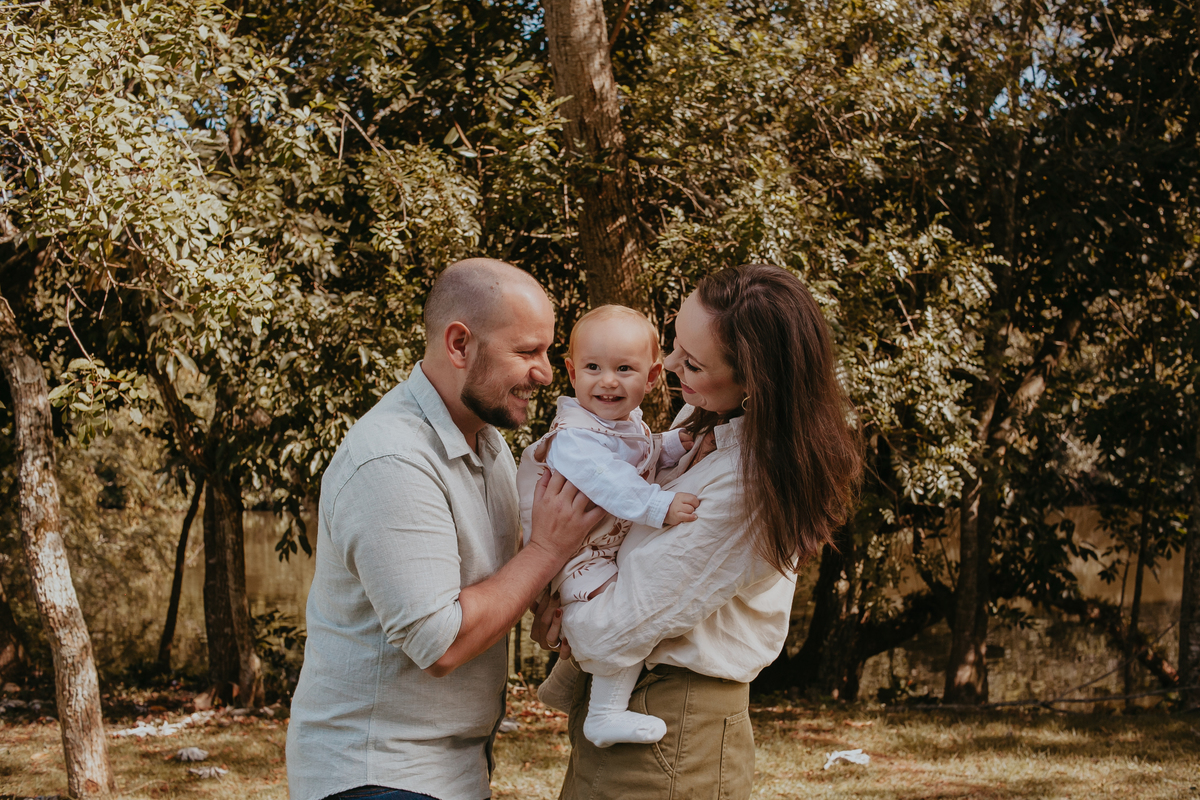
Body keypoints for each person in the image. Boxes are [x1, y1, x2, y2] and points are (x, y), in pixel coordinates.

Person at [531, 264, 863, 800]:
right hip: (631, 711)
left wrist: (566, 612)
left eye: (695, 362)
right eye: (676, 342)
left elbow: (611, 631)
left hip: (672, 729)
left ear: (757, 381)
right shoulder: (708, 416)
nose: (668, 365)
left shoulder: (750, 484)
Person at [286, 258, 606, 800]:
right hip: (376, 775)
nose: (547, 373)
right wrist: (550, 549)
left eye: (546, 351)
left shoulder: (489, 446)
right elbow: (440, 642)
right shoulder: (391, 458)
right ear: (459, 344)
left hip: (452, 771)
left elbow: (498, 576)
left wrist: (550, 602)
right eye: (527, 351)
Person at [514, 305, 700, 748]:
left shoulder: (624, 426)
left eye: (624, 368)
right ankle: (604, 713)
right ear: (572, 371)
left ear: (652, 376)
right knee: (613, 614)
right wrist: (659, 506)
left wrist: (674, 444)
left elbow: (642, 454)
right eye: (593, 367)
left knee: (606, 613)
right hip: (574, 554)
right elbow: (608, 479)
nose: (608, 381)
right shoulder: (576, 437)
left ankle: (568, 688)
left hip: (596, 547)